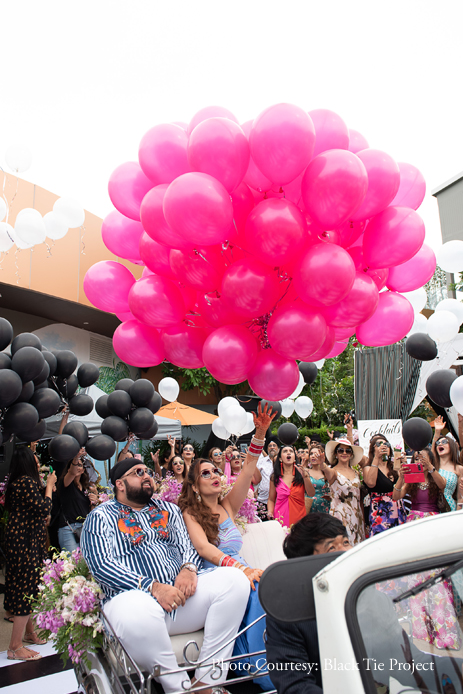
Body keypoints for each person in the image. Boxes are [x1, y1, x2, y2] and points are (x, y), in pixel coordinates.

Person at [80, 457, 250, 694]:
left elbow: (187, 546)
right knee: (134, 608)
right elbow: (102, 566)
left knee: (235, 581)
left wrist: (189, 569)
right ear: (119, 484)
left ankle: (207, 683)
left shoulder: (168, 510)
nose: (147, 474)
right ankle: (177, 687)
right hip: (136, 604)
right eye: (138, 472)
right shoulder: (99, 517)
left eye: (148, 471)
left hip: (181, 599)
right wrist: (154, 587)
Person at [265, 513, 463, 694]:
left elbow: (408, 664)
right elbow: (295, 685)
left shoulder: (371, 599)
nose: (345, 552)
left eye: (346, 542)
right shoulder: (287, 617)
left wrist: (458, 670)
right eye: (332, 548)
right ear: (304, 563)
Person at [179, 402, 277, 691]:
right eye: (205, 473)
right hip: (217, 575)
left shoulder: (228, 506)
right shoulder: (190, 513)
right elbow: (205, 550)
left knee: (271, 583)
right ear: (194, 486)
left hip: (245, 572)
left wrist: (259, 433)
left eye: (215, 472)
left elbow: (248, 469)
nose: (215, 476)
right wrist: (242, 570)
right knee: (256, 584)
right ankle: (256, 668)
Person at [4, 447, 57, 662]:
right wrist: (50, 486)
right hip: (25, 541)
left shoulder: (18, 483)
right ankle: (15, 647)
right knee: (26, 588)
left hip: (21, 538)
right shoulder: (25, 482)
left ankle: (29, 632)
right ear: (27, 463)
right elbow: (44, 508)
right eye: (35, 462)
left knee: (23, 586)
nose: (39, 465)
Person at [322, 437, 365, 544]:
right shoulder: (333, 471)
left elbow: (359, 498)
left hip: (357, 515)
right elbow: (326, 471)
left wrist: (363, 520)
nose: (344, 453)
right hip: (340, 515)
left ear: (351, 454)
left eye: (348, 450)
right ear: (335, 454)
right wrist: (321, 464)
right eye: (341, 450)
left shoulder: (356, 473)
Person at [363, 435, 406, 535]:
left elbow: (403, 486)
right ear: (373, 450)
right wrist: (376, 458)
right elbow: (371, 483)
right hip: (380, 511)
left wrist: (403, 465)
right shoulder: (368, 468)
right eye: (379, 444)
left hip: (397, 508)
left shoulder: (394, 467)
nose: (383, 446)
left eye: (386, 444)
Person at [56, 448, 98, 552]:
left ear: (84, 469)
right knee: (72, 562)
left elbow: (91, 512)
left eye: (80, 465)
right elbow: (71, 473)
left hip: (84, 528)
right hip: (69, 528)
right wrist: (76, 457)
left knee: (83, 564)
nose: (78, 468)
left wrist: (95, 501)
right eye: (75, 465)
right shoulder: (66, 483)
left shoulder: (86, 488)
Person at [392, 447, 446, 522]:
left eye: (423, 458)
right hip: (414, 520)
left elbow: (442, 485)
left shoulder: (437, 478)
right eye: (417, 459)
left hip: (432, 519)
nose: (420, 461)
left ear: (431, 460)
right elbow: (395, 497)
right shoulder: (411, 481)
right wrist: (401, 478)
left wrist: (429, 466)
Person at [268, 446, 315, 527]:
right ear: (280, 459)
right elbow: (271, 499)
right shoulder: (274, 477)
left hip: (299, 518)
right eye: (285, 451)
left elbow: (311, 494)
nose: (288, 452)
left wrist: (305, 476)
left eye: (291, 451)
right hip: (280, 518)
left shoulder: (302, 474)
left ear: (294, 458)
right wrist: (270, 512)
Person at [432, 415, 463, 511]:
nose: (440, 444)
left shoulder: (459, 468)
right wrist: (437, 432)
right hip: (431, 507)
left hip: (449, 508)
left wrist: (457, 514)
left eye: (444, 441)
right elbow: (430, 452)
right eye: (438, 443)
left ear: (452, 446)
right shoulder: (433, 466)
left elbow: (460, 496)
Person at [255, 438, 279, 519]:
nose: (272, 447)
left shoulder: (282, 462)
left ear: (278, 448)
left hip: (278, 502)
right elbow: (255, 477)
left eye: (274, 445)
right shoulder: (262, 461)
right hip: (262, 500)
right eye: (270, 446)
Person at [307, 444, 331, 514]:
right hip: (309, 507)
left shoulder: (327, 471)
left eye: (316, 454)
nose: (313, 456)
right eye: (311, 454)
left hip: (325, 506)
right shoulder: (305, 471)